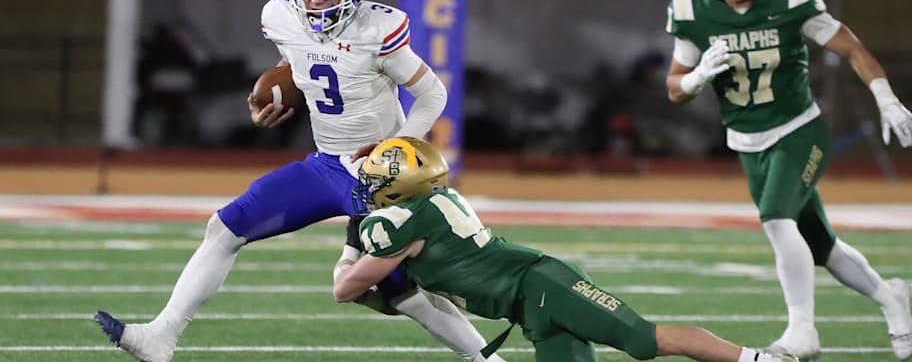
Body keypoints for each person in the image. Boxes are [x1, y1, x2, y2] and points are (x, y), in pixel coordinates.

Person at [95, 0, 508, 362]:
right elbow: (294, 62)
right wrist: (270, 98)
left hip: (376, 180)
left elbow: (433, 94)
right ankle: (161, 336)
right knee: (225, 229)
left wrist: (395, 150)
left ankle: (486, 359)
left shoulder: (377, 29)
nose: (314, 5)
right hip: (325, 166)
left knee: (400, 286)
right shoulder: (280, 16)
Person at [663, 0, 912, 361]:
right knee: (821, 246)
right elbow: (674, 86)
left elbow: (851, 48)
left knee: (779, 220)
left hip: (799, 128)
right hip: (745, 140)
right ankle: (890, 295)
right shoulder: (692, 9)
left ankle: (802, 332)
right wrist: (698, 76)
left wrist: (885, 97)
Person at [334, 136, 799, 362]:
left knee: (644, 339)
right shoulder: (433, 202)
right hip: (528, 304)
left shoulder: (404, 223)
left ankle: (758, 361)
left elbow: (345, 288)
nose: (369, 187)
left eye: (378, 180)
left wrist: (351, 243)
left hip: (544, 287)